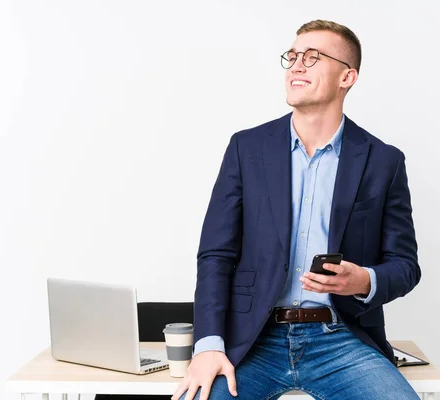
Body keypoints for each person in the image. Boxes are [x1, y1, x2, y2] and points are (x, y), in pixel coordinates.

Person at [173, 19, 421, 400]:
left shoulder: (383, 160)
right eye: (292, 56)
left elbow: (405, 265)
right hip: (254, 340)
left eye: (312, 56)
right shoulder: (247, 148)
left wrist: (363, 280)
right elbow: (216, 254)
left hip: (340, 339)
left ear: (347, 77)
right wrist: (208, 345)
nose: (296, 65)